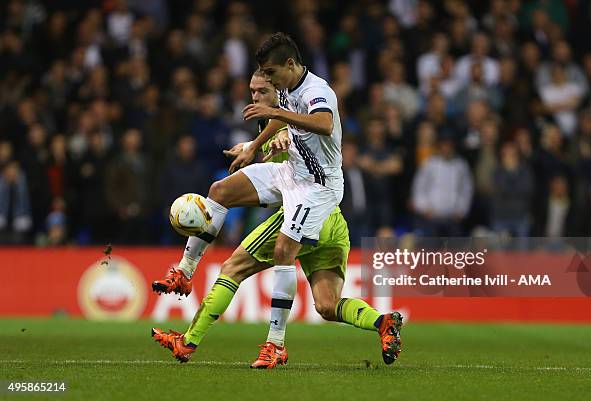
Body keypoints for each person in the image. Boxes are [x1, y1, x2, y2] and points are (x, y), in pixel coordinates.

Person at [151, 65, 402, 366]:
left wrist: (278, 138)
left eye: (262, 92)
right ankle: (382, 323)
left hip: (303, 215)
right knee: (326, 305)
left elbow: (289, 135)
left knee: (232, 268)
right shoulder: (270, 122)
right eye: (252, 92)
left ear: (280, 91)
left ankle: (192, 339)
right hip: (331, 222)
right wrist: (253, 146)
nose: (255, 98)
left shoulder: (290, 115)